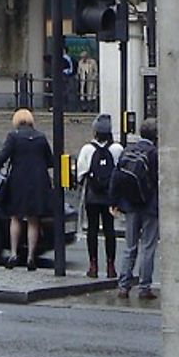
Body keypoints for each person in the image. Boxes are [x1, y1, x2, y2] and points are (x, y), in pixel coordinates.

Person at [0, 107, 52, 270]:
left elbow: (2, 157)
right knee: (34, 219)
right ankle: (30, 257)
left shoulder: (14, 136)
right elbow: (50, 160)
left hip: (18, 181)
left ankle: (13, 253)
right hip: (38, 183)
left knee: (16, 217)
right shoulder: (41, 137)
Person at [110, 118, 160, 300]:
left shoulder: (128, 149)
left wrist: (114, 201)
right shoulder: (154, 153)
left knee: (129, 246)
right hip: (150, 206)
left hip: (130, 205)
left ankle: (123, 286)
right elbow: (157, 180)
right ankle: (144, 287)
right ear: (155, 135)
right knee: (148, 246)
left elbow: (116, 176)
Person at [76, 112, 123, 278]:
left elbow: (81, 174)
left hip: (92, 196)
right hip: (110, 196)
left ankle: (93, 265)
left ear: (95, 131)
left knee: (92, 230)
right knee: (110, 230)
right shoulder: (117, 149)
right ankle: (111, 266)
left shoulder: (87, 149)